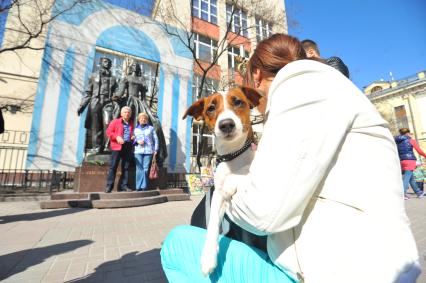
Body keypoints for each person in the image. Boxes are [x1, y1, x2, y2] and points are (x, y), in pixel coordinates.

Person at [161, 34, 420, 283]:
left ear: (257, 75)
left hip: (346, 270)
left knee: (174, 245)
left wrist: (227, 190)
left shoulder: (301, 89)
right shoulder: (330, 89)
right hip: (366, 260)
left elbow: (263, 214)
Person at [115, 60, 168, 167]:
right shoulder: (126, 78)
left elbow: (143, 98)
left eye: (137, 65)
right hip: (128, 101)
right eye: (133, 65)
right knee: (121, 118)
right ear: (130, 67)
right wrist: (115, 97)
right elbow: (120, 92)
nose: (135, 66)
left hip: (139, 103)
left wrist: (150, 112)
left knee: (155, 122)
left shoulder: (141, 80)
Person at [77, 57, 120, 154]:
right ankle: (97, 148)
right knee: (96, 126)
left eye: (109, 62)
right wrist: (82, 105)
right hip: (95, 101)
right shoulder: (93, 76)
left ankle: (107, 147)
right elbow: (88, 92)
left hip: (108, 102)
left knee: (108, 123)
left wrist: (116, 96)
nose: (107, 63)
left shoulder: (113, 79)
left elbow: (117, 91)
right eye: (105, 61)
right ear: (100, 63)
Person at [104, 106, 134, 193]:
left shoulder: (131, 123)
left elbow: (132, 133)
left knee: (126, 167)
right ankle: (109, 186)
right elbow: (108, 132)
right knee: (113, 166)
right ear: (121, 113)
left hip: (128, 146)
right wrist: (116, 137)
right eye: (125, 112)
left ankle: (124, 186)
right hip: (117, 146)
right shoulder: (115, 122)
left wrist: (133, 136)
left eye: (128, 112)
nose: (127, 113)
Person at [395, 128, 426, 199]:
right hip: (410, 161)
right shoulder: (411, 140)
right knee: (406, 178)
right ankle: (403, 193)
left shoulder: (398, 141)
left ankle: (419, 192)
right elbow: (419, 151)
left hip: (402, 161)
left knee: (411, 178)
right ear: (408, 133)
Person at [134, 112, 158, 191]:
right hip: (138, 151)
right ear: (139, 120)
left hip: (148, 151)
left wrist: (156, 149)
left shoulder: (151, 128)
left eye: (144, 118)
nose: (143, 120)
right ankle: (138, 186)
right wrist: (137, 141)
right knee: (139, 168)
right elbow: (133, 140)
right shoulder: (136, 129)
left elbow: (156, 139)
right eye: (141, 118)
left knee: (145, 168)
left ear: (147, 120)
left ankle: (143, 186)